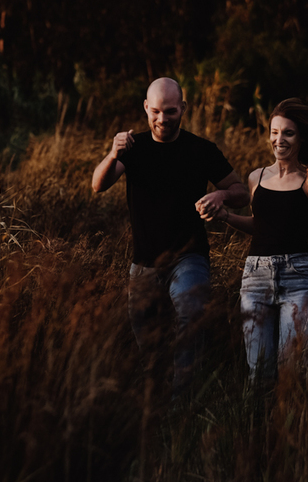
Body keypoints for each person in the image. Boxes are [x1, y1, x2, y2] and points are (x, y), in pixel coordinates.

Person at [92, 77, 249, 398]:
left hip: (188, 256)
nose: (163, 119)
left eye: (171, 111)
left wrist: (220, 195)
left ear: (184, 109)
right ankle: (157, 398)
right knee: (148, 341)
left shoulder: (201, 150)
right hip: (144, 263)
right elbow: (98, 185)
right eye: (157, 112)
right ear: (147, 109)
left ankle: (183, 400)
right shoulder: (132, 149)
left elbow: (241, 193)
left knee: (192, 314)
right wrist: (111, 154)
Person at [200, 98, 308, 386]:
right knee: (260, 371)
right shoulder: (257, 178)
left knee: (290, 367)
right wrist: (226, 216)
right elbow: (260, 226)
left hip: (298, 278)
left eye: (287, 133)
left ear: (301, 137)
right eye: (274, 132)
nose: (279, 140)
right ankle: (261, 425)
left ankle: (301, 416)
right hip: (255, 278)